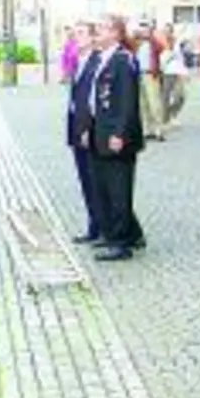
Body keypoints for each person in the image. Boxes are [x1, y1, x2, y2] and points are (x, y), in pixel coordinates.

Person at [88, 16, 147, 261]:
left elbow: (127, 102)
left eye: (101, 28)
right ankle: (131, 234)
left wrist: (119, 134)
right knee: (105, 187)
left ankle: (121, 244)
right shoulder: (104, 59)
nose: (96, 33)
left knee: (119, 190)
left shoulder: (123, 61)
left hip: (116, 135)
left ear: (115, 33)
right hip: (100, 131)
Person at [65, 22, 105, 244]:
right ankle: (93, 225)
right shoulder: (79, 62)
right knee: (85, 181)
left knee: (95, 181)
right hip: (76, 128)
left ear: (92, 38)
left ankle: (102, 227)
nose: (76, 37)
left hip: (89, 131)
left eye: (81, 33)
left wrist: (89, 129)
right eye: (75, 33)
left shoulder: (97, 62)